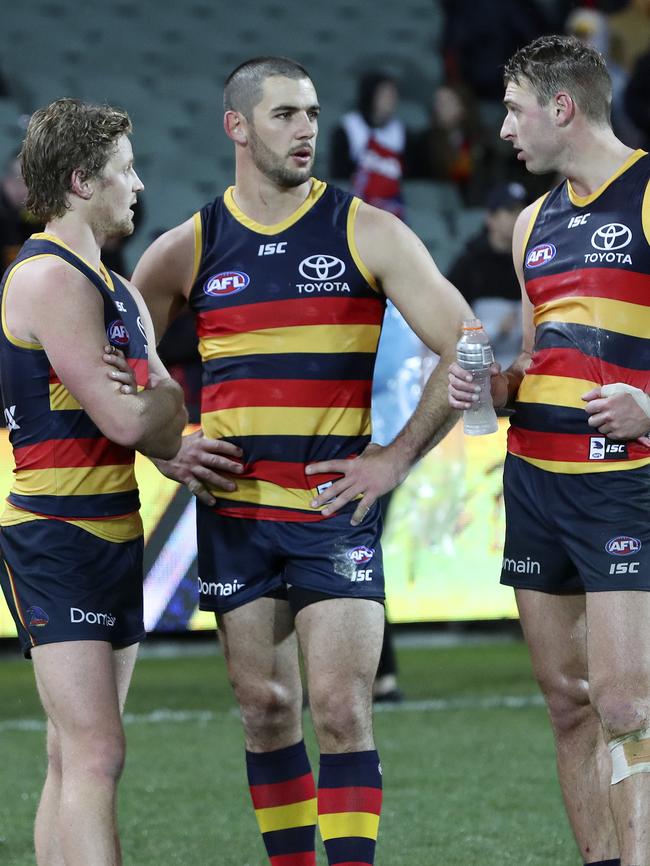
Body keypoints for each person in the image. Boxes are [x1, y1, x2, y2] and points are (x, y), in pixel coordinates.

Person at [132, 56, 470, 866]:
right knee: (265, 708)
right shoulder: (188, 246)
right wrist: (167, 443)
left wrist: (392, 459)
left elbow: (468, 340)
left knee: (344, 709)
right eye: (285, 114)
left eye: (312, 113)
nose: (307, 129)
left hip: (333, 514)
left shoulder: (367, 228)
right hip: (236, 515)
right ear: (237, 127)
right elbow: (123, 362)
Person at [449, 35, 650, 866]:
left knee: (625, 702)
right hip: (534, 480)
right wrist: (498, 389)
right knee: (568, 703)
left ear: (561, 108)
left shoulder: (646, 192)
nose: (503, 131)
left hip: (622, 486)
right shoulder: (531, 221)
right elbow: (543, 355)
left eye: (514, 109)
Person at [0, 98, 187, 866]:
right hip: (57, 533)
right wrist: (163, 402)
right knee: (97, 753)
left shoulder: (114, 285)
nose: (138, 185)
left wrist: (161, 408)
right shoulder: (49, 278)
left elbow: (162, 425)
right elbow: (132, 420)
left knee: (71, 755)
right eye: (124, 169)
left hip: (112, 531)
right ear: (82, 180)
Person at [447, 181, 528, 368]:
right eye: (510, 211)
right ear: (490, 217)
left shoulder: (532, 260)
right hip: (476, 365)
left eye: (522, 212)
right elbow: (449, 320)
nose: (518, 218)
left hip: (520, 365)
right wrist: (494, 327)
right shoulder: (469, 263)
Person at [329, 70, 407, 218]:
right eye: (386, 95)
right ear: (371, 95)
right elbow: (338, 175)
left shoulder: (401, 131)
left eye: (393, 95)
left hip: (392, 206)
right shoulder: (347, 128)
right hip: (355, 205)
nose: (392, 100)